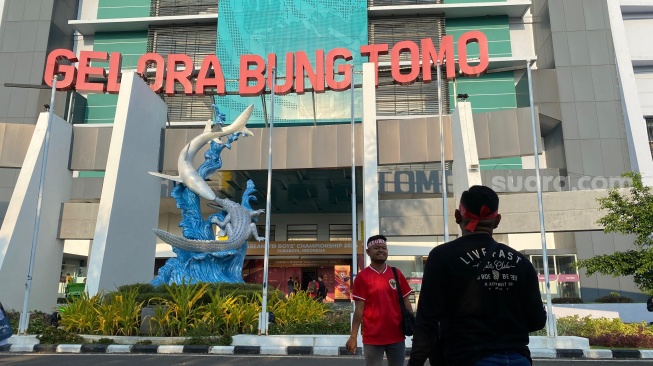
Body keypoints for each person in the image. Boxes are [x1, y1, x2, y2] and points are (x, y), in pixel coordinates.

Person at [407, 185, 547, 366]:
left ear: (458, 216)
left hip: (467, 357)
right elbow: (536, 320)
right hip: (517, 358)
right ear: (497, 221)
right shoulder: (521, 262)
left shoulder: (443, 256)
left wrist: (416, 361)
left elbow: (427, 318)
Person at [346, 234, 412, 366]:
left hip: (397, 336)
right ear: (368, 252)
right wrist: (353, 336)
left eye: (384, 247)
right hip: (372, 338)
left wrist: (414, 326)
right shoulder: (362, 277)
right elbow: (359, 308)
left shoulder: (396, 273)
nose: (381, 250)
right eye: (376, 248)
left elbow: (406, 303)